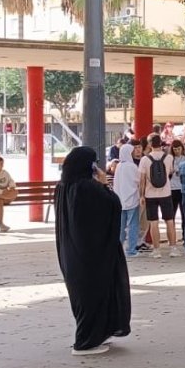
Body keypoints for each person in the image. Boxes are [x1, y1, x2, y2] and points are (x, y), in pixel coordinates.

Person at [54, 147, 131, 356]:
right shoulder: (88, 188)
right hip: (92, 254)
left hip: (71, 253)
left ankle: (95, 334)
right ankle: (86, 341)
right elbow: (113, 205)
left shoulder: (62, 187)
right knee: (95, 294)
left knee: (84, 296)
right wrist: (104, 184)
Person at [140, 134, 180, 258]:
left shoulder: (145, 160)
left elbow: (142, 180)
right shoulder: (168, 157)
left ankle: (156, 250)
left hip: (150, 194)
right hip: (166, 193)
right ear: (160, 143)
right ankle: (173, 248)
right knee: (169, 221)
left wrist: (141, 195)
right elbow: (171, 172)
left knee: (154, 223)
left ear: (150, 144)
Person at [113, 144, 142, 258]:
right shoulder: (132, 166)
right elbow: (137, 181)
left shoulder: (119, 166)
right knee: (133, 225)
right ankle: (131, 249)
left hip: (120, 199)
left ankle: (118, 248)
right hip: (132, 198)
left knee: (121, 225)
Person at [168, 139, 185, 217]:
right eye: (175, 149)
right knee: (172, 212)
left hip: (183, 188)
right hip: (172, 188)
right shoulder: (170, 158)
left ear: (182, 148)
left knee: (184, 212)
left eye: (179, 149)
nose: (177, 151)